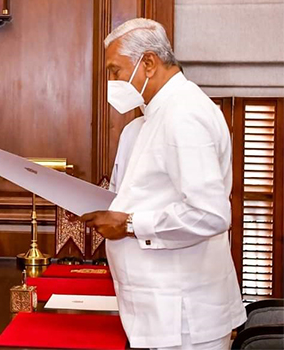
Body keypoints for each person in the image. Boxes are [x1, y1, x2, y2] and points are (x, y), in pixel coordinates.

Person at [81, 18, 246, 350]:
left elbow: (210, 214)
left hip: (186, 318)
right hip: (156, 312)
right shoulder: (145, 122)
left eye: (115, 71)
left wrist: (129, 223)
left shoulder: (184, 114)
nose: (111, 81)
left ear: (149, 63)